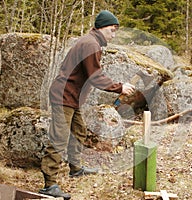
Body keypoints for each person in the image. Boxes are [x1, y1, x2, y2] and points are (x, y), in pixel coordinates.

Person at [39, 10, 135, 199]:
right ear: (101, 27)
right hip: (64, 96)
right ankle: (49, 185)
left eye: (116, 31)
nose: (113, 34)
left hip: (71, 97)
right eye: (112, 29)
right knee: (60, 137)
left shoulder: (91, 42)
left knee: (79, 131)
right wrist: (119, 87)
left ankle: (75, 168)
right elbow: (95, 76)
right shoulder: (91, 44)